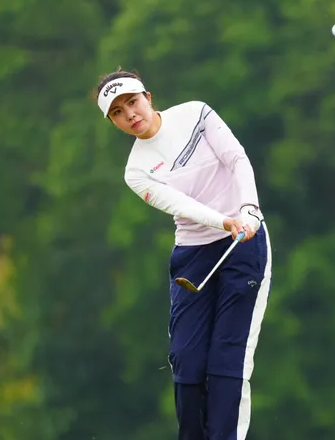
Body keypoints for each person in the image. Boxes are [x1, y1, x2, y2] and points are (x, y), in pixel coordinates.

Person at [94, 67, 273, 440]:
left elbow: (237, 159)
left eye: (133, 102)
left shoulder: (196, 113)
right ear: (113, 122)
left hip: (245, 242)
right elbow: (181, 205)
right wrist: (223, 221)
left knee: (228, 355)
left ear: (148, 98)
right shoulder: (136, 170)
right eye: (118, 112)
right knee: (186, 359)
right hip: (194, 254)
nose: (130, 114)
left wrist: (248, 208)